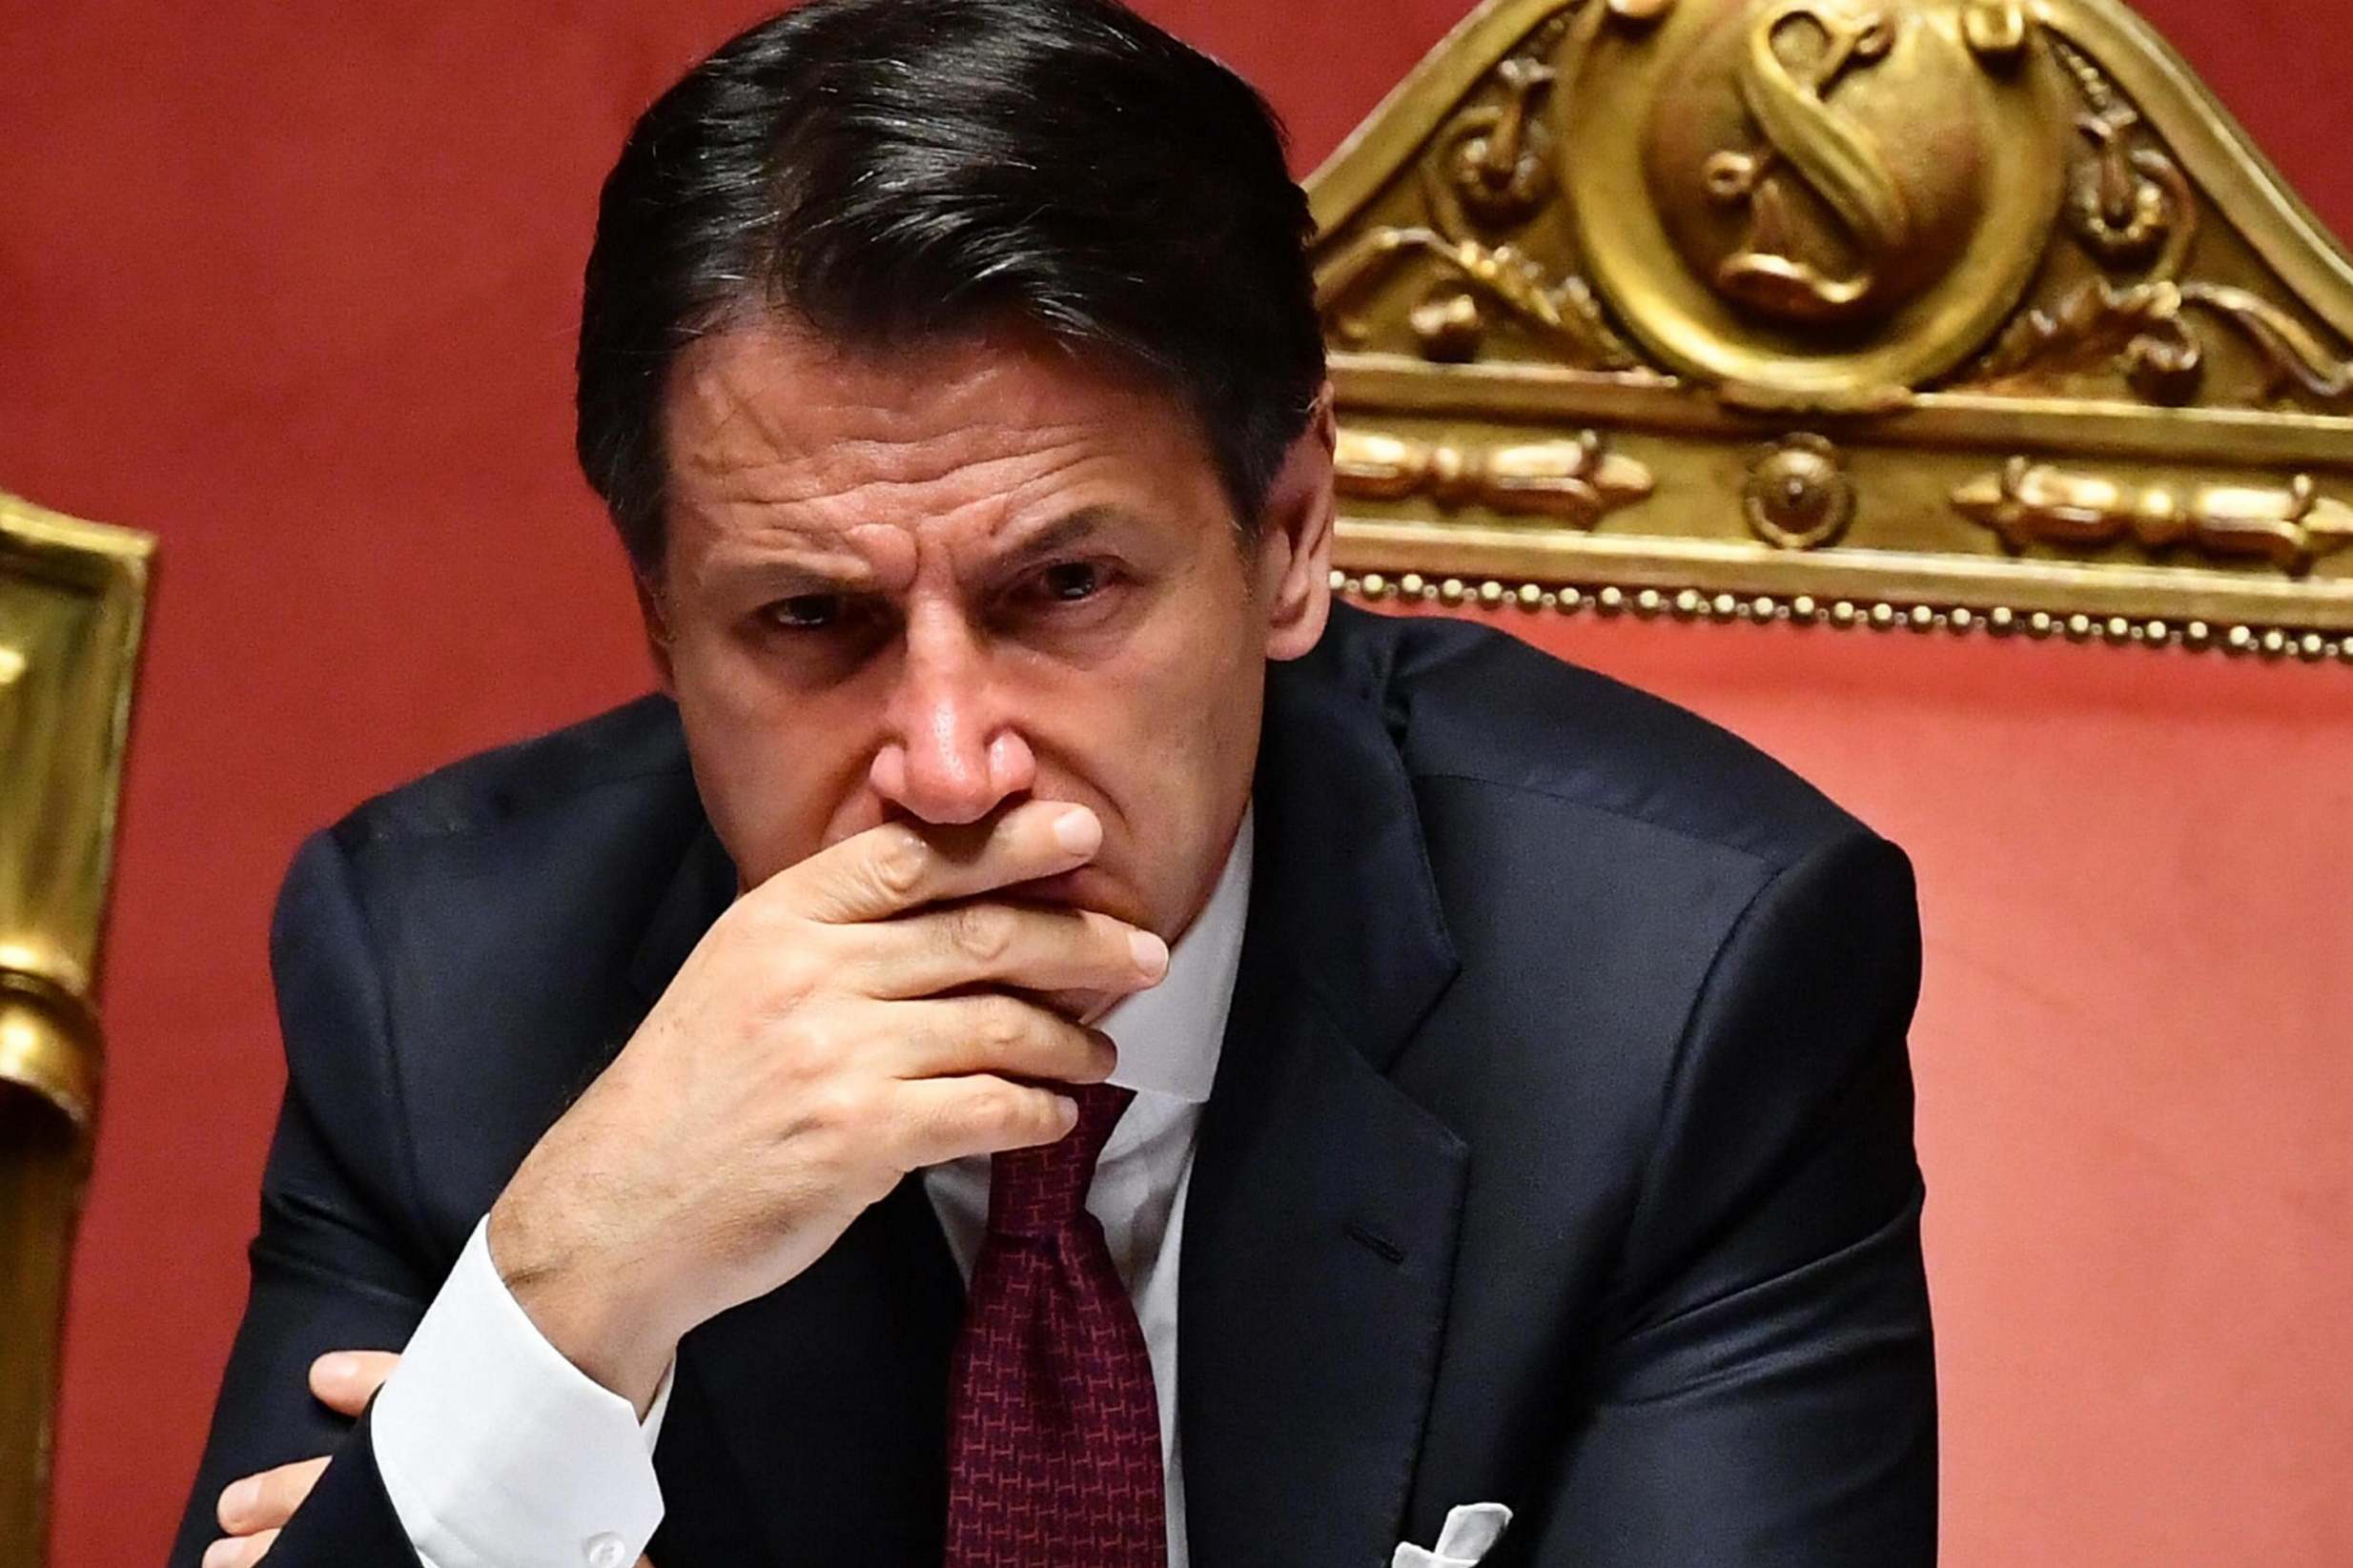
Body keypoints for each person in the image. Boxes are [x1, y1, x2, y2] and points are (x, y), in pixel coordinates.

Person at [170, 0, 1936, 1564]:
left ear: (1292, 535)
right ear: (657, 620)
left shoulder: (1689, 992)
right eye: (808, 617)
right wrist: (567, 1282)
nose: (949, 767)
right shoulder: (442, 984)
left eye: (1064, 589)